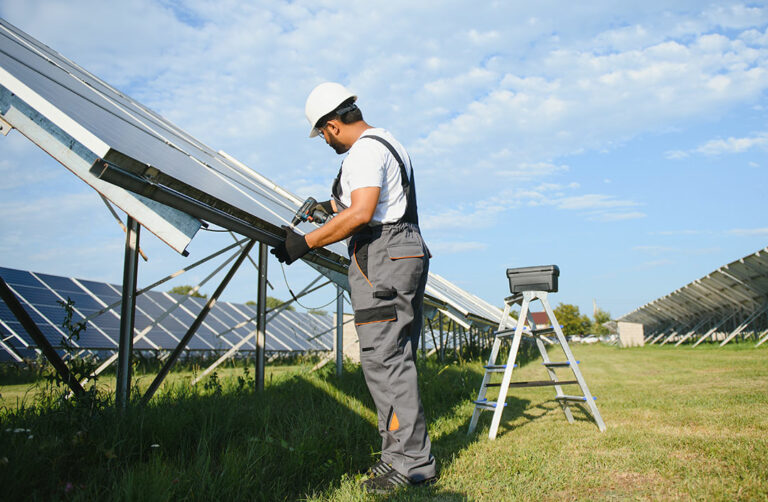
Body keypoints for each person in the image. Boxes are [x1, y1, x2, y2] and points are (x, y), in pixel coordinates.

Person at [271, 82, 436, 493]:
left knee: (385, 360)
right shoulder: (387, 141)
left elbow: (363, 213)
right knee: (393, 358)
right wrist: (326, 207)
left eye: (322, 134)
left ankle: (413, 464)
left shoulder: (362, 151)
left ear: (332, 125)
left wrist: (303, 243)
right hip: (404, 252)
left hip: (383, 257)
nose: (325, 141)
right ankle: (396, 456)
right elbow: (374, 200)